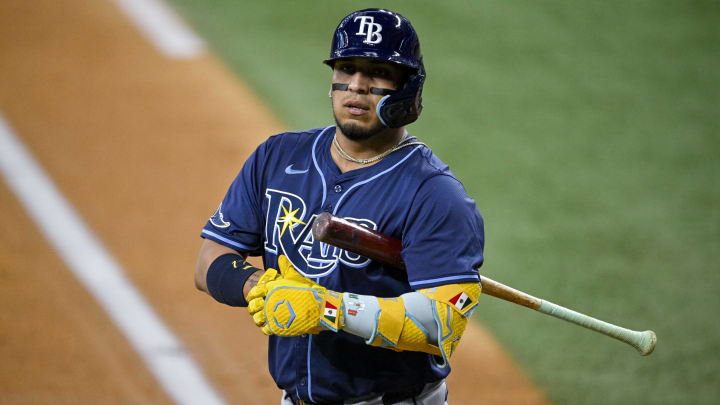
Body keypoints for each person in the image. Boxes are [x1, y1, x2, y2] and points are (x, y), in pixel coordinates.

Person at [195, 8, 485, 405]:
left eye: (378, 72)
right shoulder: (278, 156)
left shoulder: (433, 193)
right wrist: (261, 288)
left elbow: (441, 324)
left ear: (407, 88)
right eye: (346, 68)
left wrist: (327, 309)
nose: (357, 86)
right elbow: (210, 257)